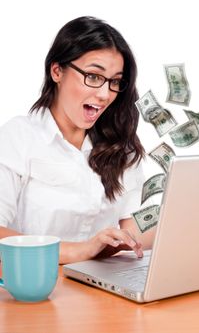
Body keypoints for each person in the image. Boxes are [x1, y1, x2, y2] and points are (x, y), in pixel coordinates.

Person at [0, 16, 155, 264]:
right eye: (93, 76)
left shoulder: (120, 146)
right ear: (57, 71)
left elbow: (135, 233)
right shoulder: (17, 137)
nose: (105, 94)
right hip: (39, 286)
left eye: (115, 82)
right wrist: (83, 250)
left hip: (101, 288)